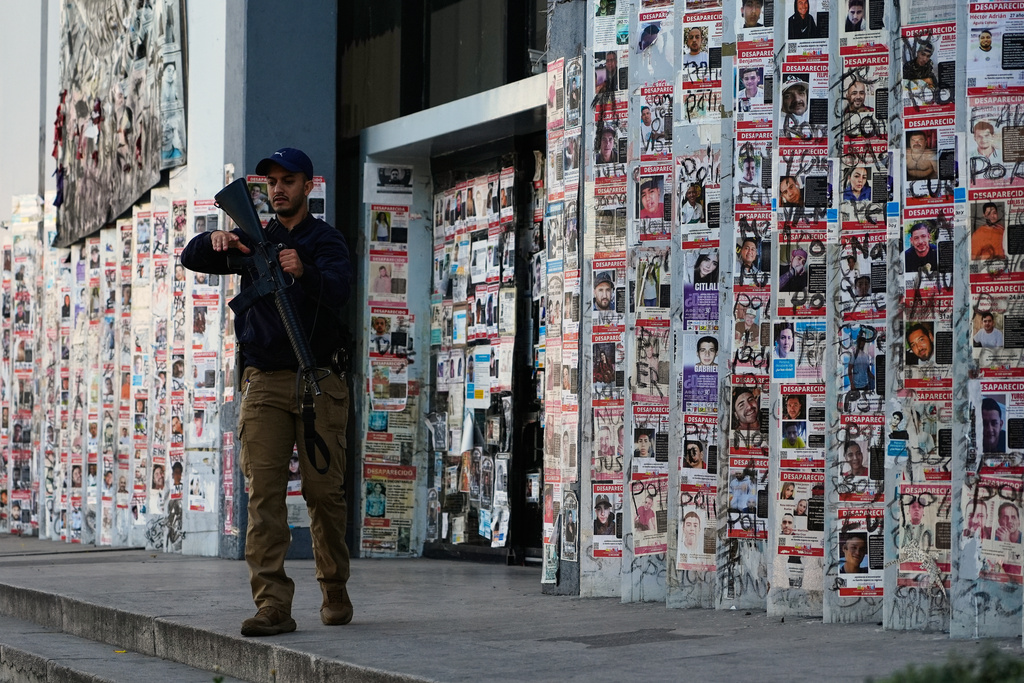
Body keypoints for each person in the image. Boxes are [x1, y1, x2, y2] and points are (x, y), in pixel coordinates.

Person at [180, 147, 354, 637]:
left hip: (319, 379)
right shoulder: (253, 239)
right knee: (264, 497)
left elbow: (341, 289)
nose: (278, 188)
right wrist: (213, 239)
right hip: (264, 382)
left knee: (324, 494)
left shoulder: (326, 240)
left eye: (288, 180)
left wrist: (305, 270)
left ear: (308, 185)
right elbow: (191, 257)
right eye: (271, 182)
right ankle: (273, 604)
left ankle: (334, 585)